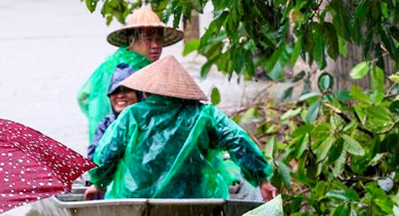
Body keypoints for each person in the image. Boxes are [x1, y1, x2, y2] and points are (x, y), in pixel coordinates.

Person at [90, 55, 277, 200]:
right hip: (195, 197)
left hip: (137, 197)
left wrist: (98, 183)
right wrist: (262, 180)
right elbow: (238, 140)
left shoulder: (133, 115)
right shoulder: (204, 114)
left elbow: (107, 154)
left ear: (145, 90)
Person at [78, 6, 183, 142]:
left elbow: (84, 97)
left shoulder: (141, 67)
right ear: (131, 39)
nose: (155, 45)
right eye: (148, 39)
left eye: (159, 39)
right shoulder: (121, 69)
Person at [87, 63, 142, 161]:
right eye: (115, 91)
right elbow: (94, 162)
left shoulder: (148, 121)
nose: (120, 96)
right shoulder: (105, 124)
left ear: (139, 94)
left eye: (126, 90)